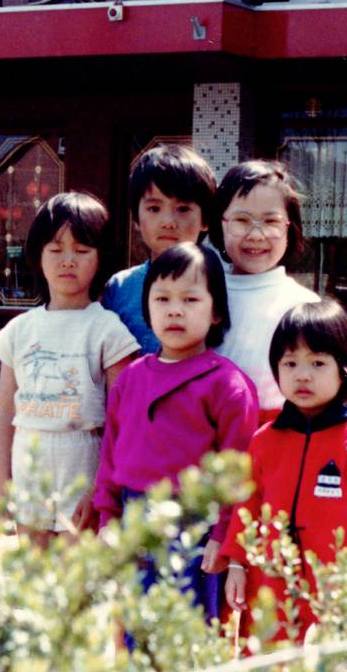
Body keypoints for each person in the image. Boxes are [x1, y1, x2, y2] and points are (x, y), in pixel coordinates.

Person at [93, 242, 258, 620]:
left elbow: (239, 476)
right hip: (135, 520)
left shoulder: (227, 385)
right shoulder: (131, 378)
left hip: (196, 529)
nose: (175, 309)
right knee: (139, 631)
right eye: (162, 298)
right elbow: (111, 456)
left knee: (190, 637)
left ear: (216, 311)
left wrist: (223, 537)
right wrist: (108, 518)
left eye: (190, 299)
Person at [221, 299, 347, 643]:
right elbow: (247, 508)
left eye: (317, 362)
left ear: (344, 369)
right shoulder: (264, 440)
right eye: (290, 363)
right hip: (268, 583)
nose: (302, 375)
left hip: (334, 583)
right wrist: (237, 565)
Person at [0, 191, 139, 547]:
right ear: (38, 256)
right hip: (30, 467)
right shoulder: (20, 330)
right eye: (56, 250)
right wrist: (4, 485)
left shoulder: (108, 330)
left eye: (82, 251)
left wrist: (99, 490)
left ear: (100, 257)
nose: (68, 261)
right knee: (35, 586)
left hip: (82, 465)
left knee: (75, 587)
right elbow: (4, 413)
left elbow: (122, 419)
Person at [209, 160, 319, 425]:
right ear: (220, 224)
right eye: (242, 220)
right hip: (203, 438)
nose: (256, 235)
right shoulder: (202, 292)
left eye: (270, 221)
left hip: (278, 438)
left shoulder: (304, 305)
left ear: (289, 229)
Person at [101, 143, 217, 355]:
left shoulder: (221, 285)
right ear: (136, 218)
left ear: (205, 219)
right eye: (154, 208)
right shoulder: (119, 288)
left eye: (182, 209)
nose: (168, 222)